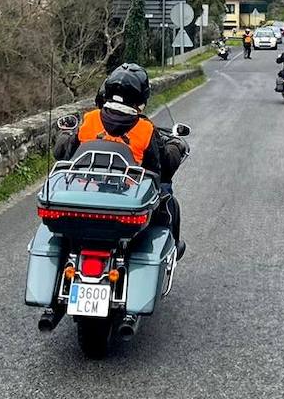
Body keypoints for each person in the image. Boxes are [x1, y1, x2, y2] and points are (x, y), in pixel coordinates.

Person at [54, 63, 188, 257]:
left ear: (106, 90)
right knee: (167, 196)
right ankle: (172, 249)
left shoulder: (90, 119)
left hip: (85, 195)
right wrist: (176, 146)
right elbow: (163, 169)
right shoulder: (145, 129)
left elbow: (64, 153)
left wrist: (64, 136)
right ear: (142, 97)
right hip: (127, 201)